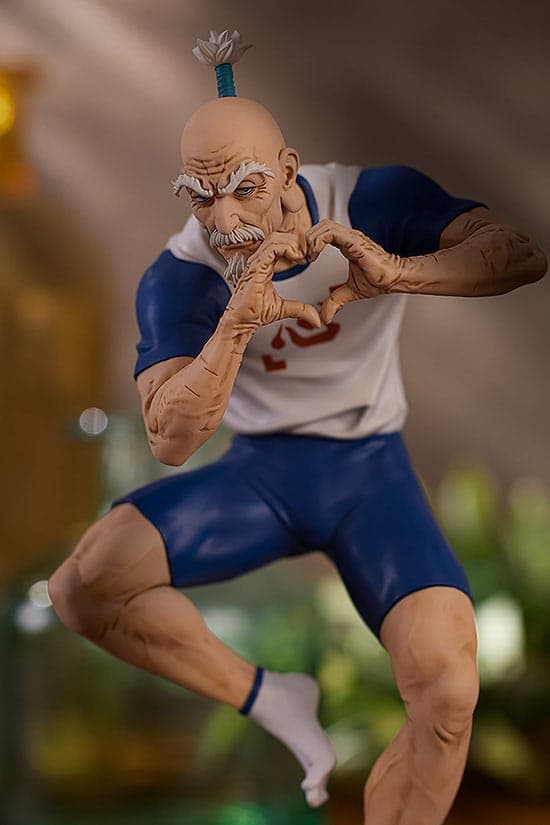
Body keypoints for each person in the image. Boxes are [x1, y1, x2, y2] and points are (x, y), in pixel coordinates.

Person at [48, 30, 547, 823]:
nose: (226, 218)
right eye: (201, 196)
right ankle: (271, 697)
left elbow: (519, 254)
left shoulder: (370, 200)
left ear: (287, 169)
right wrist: (234, 325)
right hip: (262, 476)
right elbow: (169, 439)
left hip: (369, 475)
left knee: (450, 689)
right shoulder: (183, 275)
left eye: (244, 188)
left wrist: (397, 271)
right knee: (82, 586)